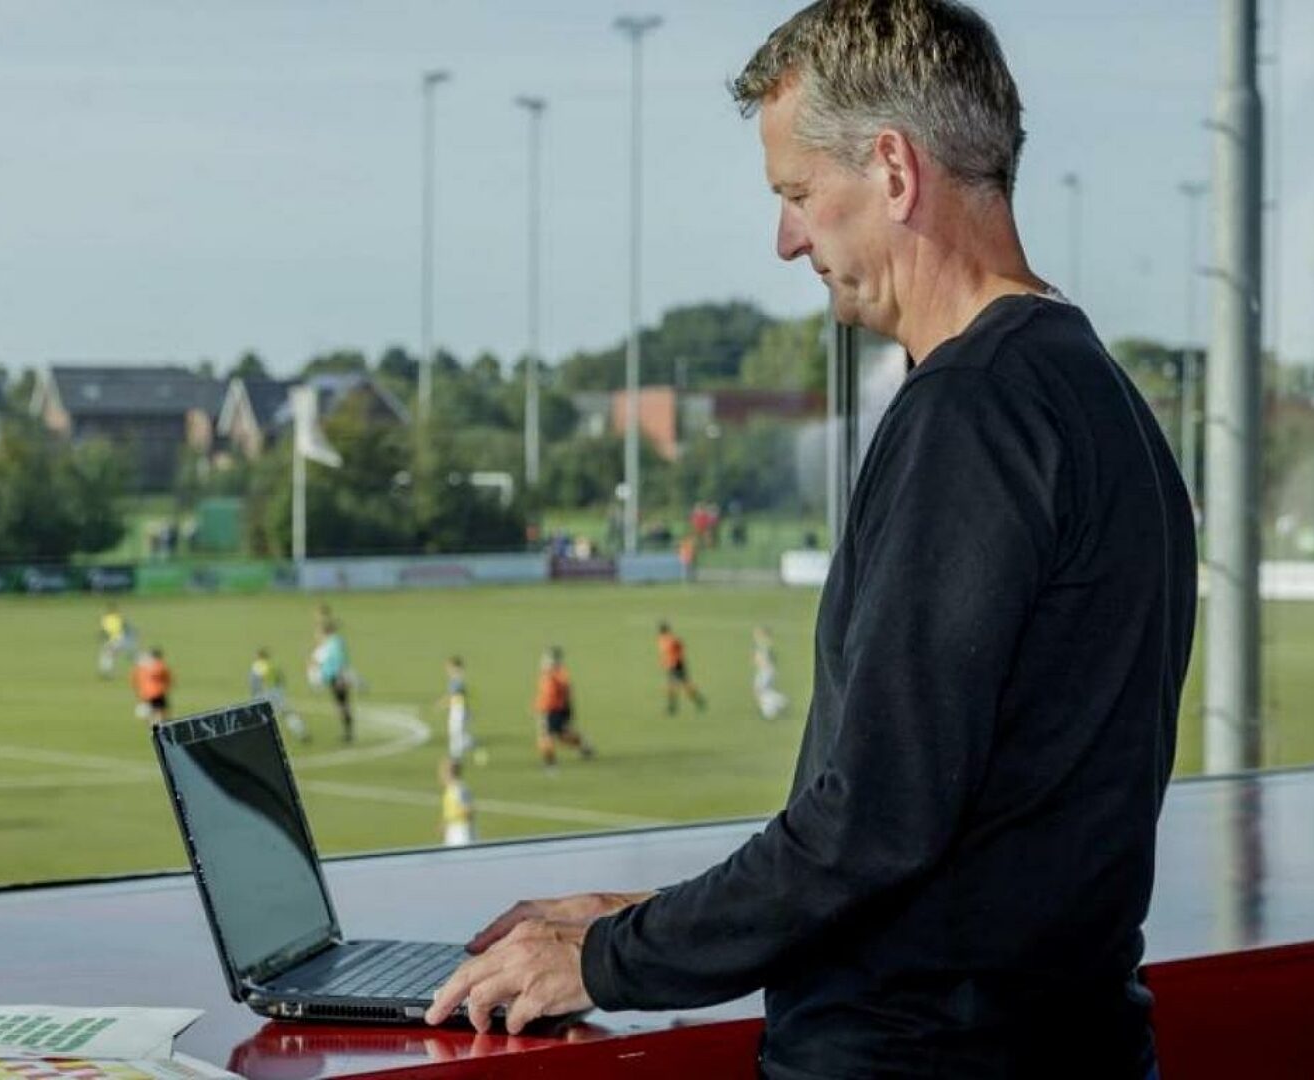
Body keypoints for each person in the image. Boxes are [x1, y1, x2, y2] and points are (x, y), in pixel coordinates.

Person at [428, 5, 1197, 1078]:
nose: (787, 237)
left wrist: (604, 961)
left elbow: (872, 826)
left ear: (892, 169)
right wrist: (643, 913)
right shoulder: (1095, 392)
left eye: (796, 195)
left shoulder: (969, 412)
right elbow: (974, 837)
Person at [532, 646, 593, 773]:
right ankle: (583, 745)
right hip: (547, 709)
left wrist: (568, 711)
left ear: (554, 661)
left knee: (547, 736)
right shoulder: (549, 672)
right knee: (560, 736)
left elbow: (565, 692)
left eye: (546, 659)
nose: (543, 662)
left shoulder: (559, 675)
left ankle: (550, 765)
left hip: (553, 710)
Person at [250, 646, 307, 743]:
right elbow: (281, 680)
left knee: (262, 717)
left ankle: (262, 739)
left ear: (259, 656)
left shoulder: (256, 667)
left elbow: (255, 684)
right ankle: (301, 733)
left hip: (264, 694)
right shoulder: (272, 665)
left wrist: (255, 696)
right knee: (288, 713)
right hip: (277, 693)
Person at [311, 620, 355, 743]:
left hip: (337, 677)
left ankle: (348, 733)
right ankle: (347, 732)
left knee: (342, 704)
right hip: (334, 677)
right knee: (341, 704)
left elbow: (339, 660)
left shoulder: (333, 643)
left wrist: (341, 677)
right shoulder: (333, 642)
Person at [655, 621, 707, 715]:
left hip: (677, 665)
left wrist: (676, 659)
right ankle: (674, 707)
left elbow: (680, 649)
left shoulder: (673, 640)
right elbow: (666, 653)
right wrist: (664, 661)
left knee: (684, 685)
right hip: (671, 665)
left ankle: (698, 701)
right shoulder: (661, 639)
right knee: (672, 686)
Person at [436, 656, 475, 761]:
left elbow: (453, 696)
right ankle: (467, 744)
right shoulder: (457, 680)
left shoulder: (456, 681)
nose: (447, 670)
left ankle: (455, 758)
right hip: (460, 710)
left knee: (455, 733)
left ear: (455, 667)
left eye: (449, 667)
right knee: (458, 733)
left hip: (459, 711)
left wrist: (442, 704)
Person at [751, 625, 788, 721]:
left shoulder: (763, 644)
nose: (756, 634)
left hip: (765, 671)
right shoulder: (765, 644)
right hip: (767, 671)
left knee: (761, 691)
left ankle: (771, 710)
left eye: (758, 632)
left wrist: (762, 663)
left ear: (763, 634)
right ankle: (779, 702)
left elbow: (761, 658)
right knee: (762, 691)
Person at [439, 757, 475, 848]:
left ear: (449, 773)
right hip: (453, 832)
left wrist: (451, 821)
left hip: (461, 833)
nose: (441, 776)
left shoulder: (459, 789)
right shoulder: (451, 789)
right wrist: (446, 823)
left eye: (443, 772)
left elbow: (468, 811)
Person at [132, 647, 172, 725]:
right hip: (158, 692)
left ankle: (153, 725)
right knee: (160, 713)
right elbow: (168, 679)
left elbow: (135, 679)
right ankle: (157, 726)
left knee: (153, 712)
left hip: (146, 693)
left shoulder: (143, 667)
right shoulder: (160, 665)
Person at [97, 602, 137, 678]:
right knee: (131, 656)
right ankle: (143, 668)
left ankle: (107, 673)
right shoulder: (119, 618)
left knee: (107, 655)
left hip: (115, 641)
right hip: (123, 640)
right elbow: (128, 629)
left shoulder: (105, 619)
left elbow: (105, 631)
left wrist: (100, 636)